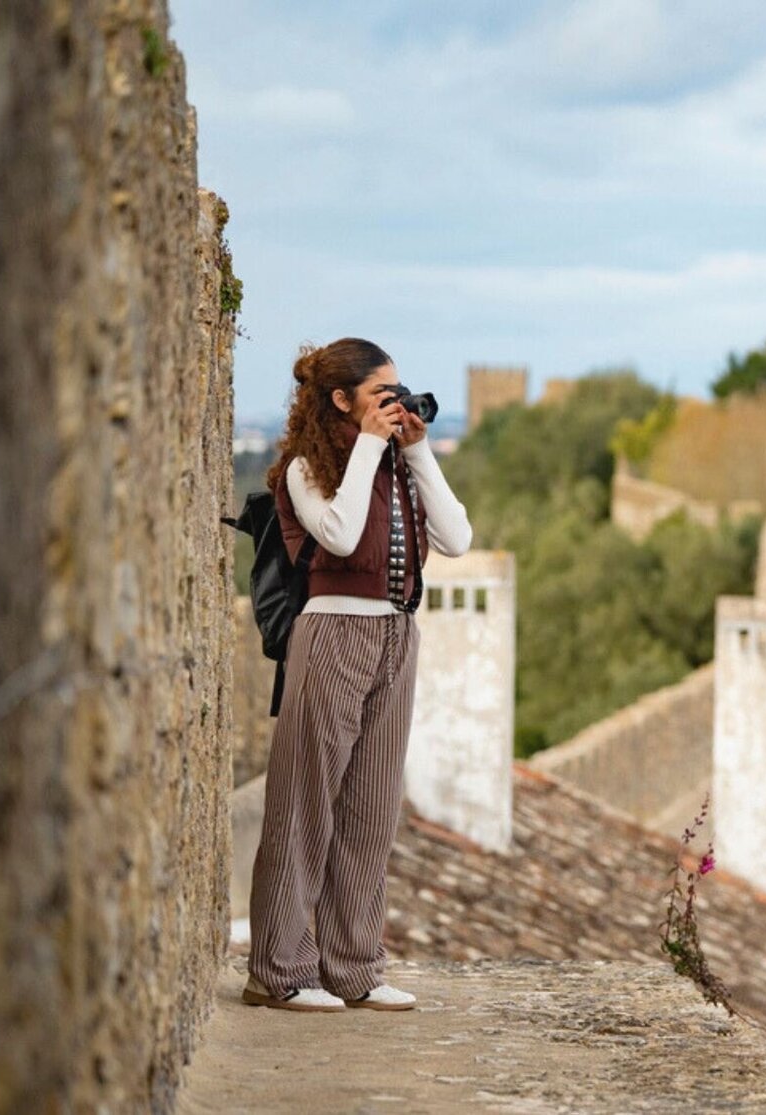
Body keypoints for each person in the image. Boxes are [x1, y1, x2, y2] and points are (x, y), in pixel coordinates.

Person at [241, 337, 474, 1012]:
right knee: (305, 799)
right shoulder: (305, 468)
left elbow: (457, 537)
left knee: (372, 807)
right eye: (381, 395)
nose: (394, 407)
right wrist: (372, 445)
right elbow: (339, 536)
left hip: (398, 631)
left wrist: (420, 449)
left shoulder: (400, 464)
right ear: (342, 400)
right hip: (333, 629)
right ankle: (278, 970)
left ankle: (354, 967)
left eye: (398, 393)